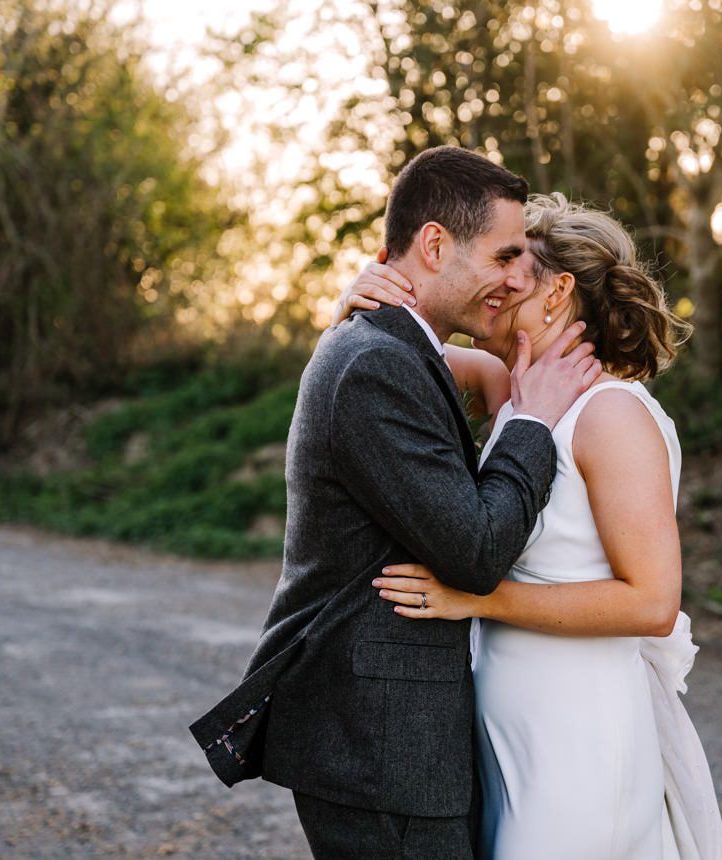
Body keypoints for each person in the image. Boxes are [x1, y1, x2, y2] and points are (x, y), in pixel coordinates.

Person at [190, 148, 603, 860]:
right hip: (382, 748)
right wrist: (532, 423)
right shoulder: (375, 363)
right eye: (504, 256)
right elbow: (476, 550)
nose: (517, 277)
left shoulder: (393, 349)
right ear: (434, 245)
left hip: (396, 741)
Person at [337, 193, 722, 859]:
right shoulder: (510, 389)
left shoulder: (611, 415)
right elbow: (373, 362)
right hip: (514, 740)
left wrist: (478, 598)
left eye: (512, 277)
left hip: (579, 742)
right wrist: (353, 306)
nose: (493, 289)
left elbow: (652, 602)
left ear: (558, 292)